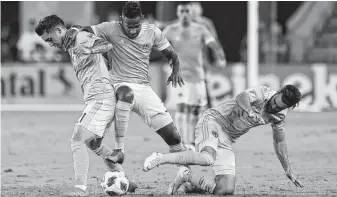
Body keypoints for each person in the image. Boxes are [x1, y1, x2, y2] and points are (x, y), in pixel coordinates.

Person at [62, 1, 186, 166]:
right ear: (122, 20)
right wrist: (75, 30)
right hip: (116, 85)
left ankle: (186, 176)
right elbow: (86, 29)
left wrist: (175, 70)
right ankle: (119, 151)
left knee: (173, 136)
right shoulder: (110, 28)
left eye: (136, 26)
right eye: (129, 26)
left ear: (142, 18)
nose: (133, 30)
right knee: (95, 135)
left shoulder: (153, 32)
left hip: (143, 88)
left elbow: (171, 54)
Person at [35, 15, 135, 197]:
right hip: (96, 98)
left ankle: (80, 190)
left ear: (59, 30)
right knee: (93, 142)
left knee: (77, 138)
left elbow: (107, 45)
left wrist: (88, 46)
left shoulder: (79, 39)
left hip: (101, 98)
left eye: (50, 39)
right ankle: (123, 178)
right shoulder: (72, 42)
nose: (50, 44)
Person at [143, 85, 304, 195]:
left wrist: (287, 169)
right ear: (277, 93)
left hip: (227, 139)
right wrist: (249, 111)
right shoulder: (263, 92)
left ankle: (187, 176)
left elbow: (279, 142)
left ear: (287, 107)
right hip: (213, 121)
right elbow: (242, 97)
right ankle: (160, 158)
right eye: (275, 102)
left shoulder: (279, 116)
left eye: (279, 107)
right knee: (207, 158)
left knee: (225, 190)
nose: (274, 107)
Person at [162, 3, 226, 151]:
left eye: (187, 11)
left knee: (198, 109)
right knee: (184, 107)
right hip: (181, 76)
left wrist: (220, 55)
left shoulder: (201, 29)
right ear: (178, 13)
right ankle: (184, 142)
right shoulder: (171, 30)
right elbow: (157, 44)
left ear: (191, 14)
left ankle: (194, 139)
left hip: (199, 76)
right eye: (182, 11)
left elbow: (212, 43)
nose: (184, 14)